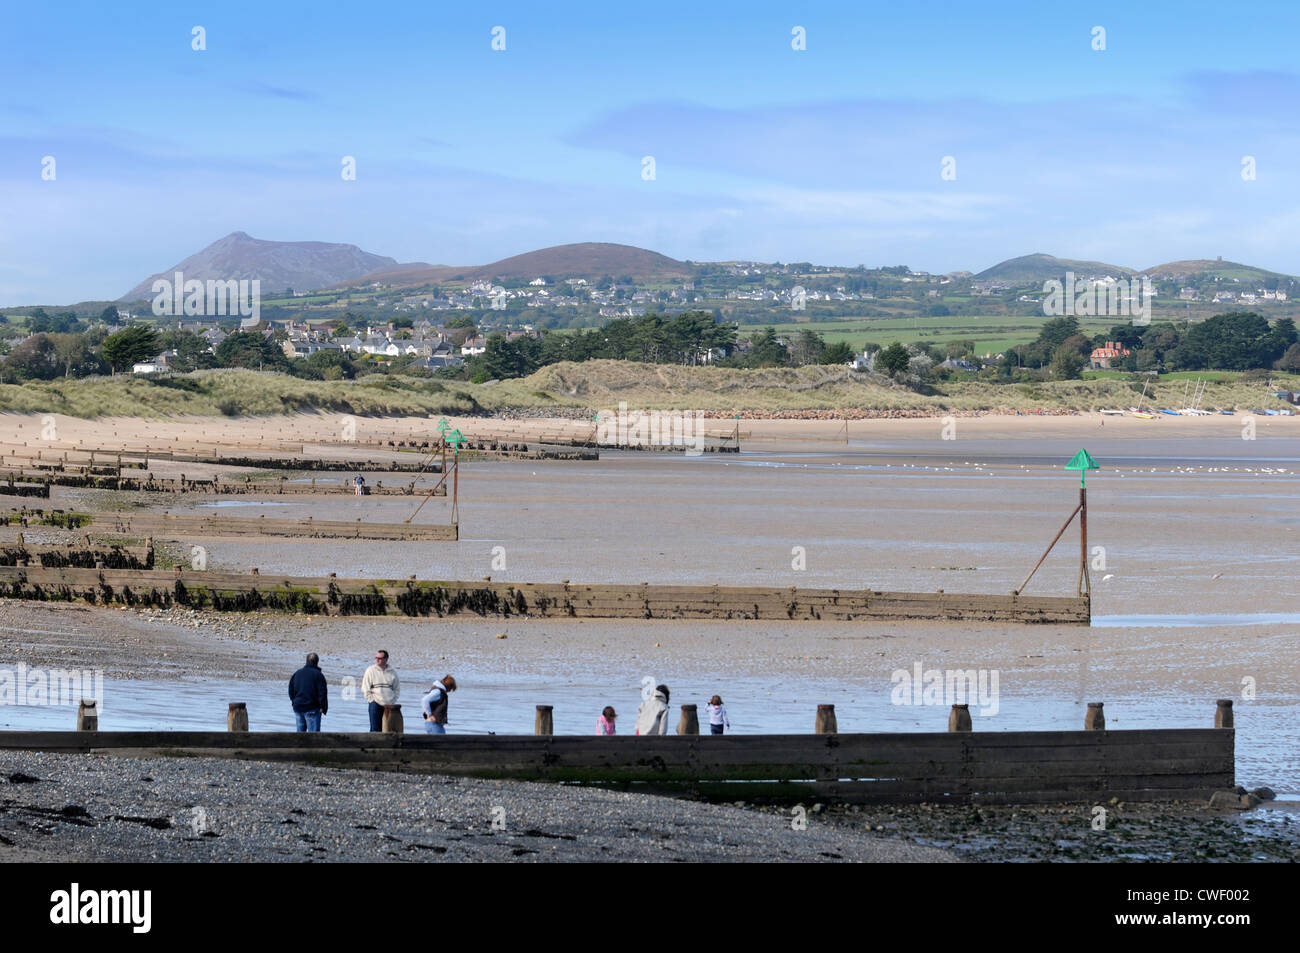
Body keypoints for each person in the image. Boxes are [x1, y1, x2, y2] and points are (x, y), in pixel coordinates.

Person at [288, 652, 328, 732]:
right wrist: (323, 707)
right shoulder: (319, 675)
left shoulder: (297, 673)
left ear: (306, 661)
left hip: (298, 707)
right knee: (314, 737)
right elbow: (322, 693)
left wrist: (294, 702)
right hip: (312, 708)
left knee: (300, 735)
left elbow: (290, 690)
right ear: (317, 662)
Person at [361, 650, 400, 732]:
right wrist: (371, 700)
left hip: (389, 704)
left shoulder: (392, 672)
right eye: (376, 658)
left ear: (386, 659)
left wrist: (393, 700)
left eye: (380, 658)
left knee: (388, 729)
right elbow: (365, 687)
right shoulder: (370, 670)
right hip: (375, 703)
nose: (377, 660)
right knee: (375, 729)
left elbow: (397, 689)